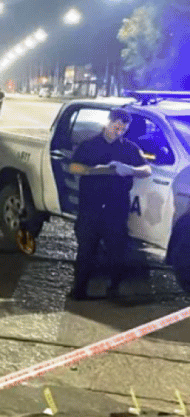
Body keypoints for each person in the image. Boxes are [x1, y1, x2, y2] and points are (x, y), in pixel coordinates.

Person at [66, 109, 151, 300]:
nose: (119, 130)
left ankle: (114, 289)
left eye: (123, 128)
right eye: (117, 125)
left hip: (117, 207)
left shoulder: (130, 148)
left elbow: (146, 170)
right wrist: (97, 171)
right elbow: (74, 166)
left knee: (117, 251)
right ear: (108, 122)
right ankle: (79, 290)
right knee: (86, 250)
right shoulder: (89, 145)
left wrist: (130, 169)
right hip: (91, 207)